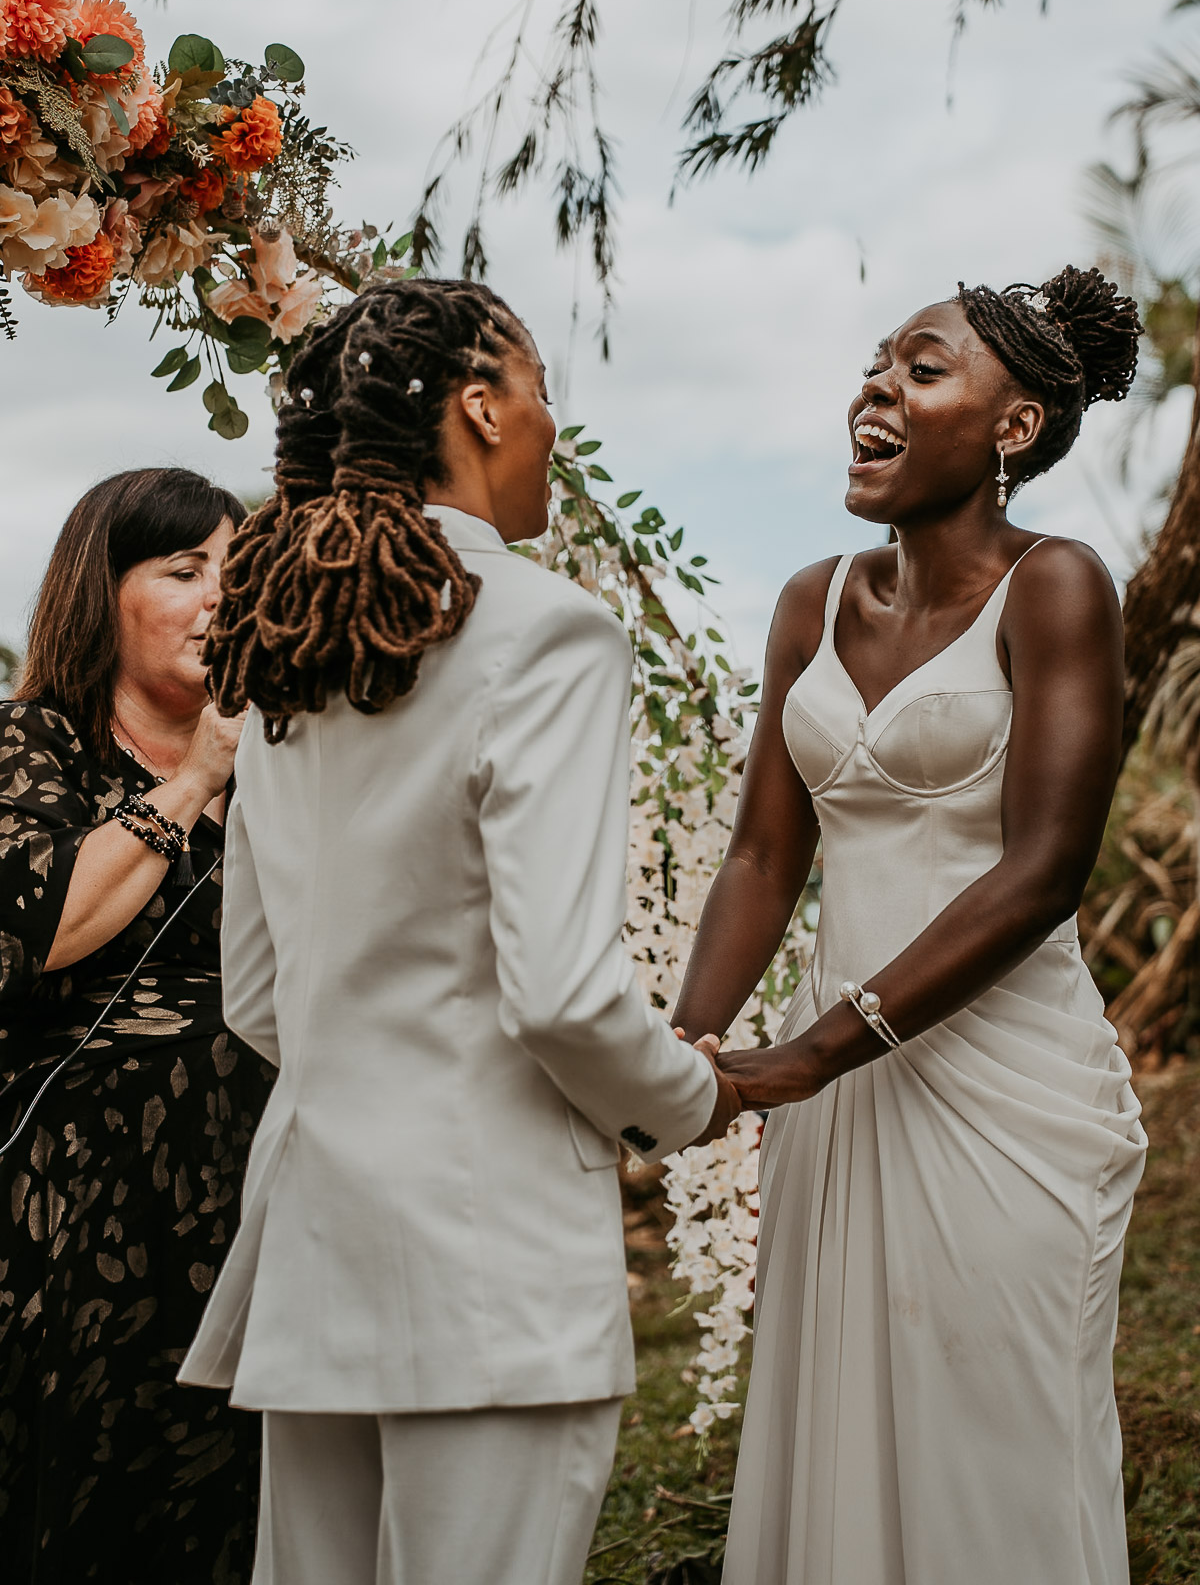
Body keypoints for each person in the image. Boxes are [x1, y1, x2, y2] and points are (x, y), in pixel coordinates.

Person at [178, 277, 739, 1585]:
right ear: (483, 408)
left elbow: (257, 999)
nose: (550, 421)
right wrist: (694, 1097)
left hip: (315, 1259)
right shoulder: (550, 634)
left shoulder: (291, 654)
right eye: (542, 390)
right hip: (489, 1266)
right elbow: (561, 1000)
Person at [672, 266, 1149, 1585]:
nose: (876, 387)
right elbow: (767, 856)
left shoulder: (1057, 588)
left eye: (923, 368)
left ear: (1015, 428)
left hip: (1002, 1087)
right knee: (847, 1432)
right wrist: (688, 1049)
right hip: (841, 1098)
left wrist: (810, 1053)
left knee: (993, 1444)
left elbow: (1043, 870)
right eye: (878, 363)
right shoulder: (809, 602)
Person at [0, 467, 274, 1584]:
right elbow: (37, 931)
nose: (221, 595)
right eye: (183, 569)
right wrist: (197, 776)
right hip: (71, 1226)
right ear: (99, 595)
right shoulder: (33, 744)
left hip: (244, 1209)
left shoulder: (285, 770)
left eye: (235, 570)